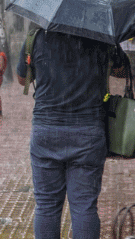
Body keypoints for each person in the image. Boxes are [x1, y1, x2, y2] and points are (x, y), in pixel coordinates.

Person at [16, 30, 128, 239]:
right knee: (84, 206)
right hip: (87, 133)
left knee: (47, 206)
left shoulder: (36, 37)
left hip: (46, 132)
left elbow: (22, 78)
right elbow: (122, 70)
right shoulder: (100, 35)